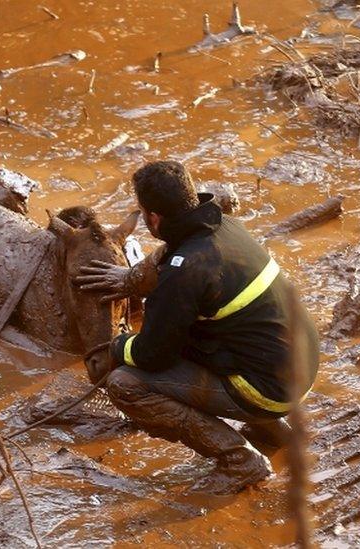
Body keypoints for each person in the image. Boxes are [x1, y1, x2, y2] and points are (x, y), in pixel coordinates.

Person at [75, 160, 319, 495]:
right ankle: (275, 431)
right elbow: (166, 257)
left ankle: (239, 460)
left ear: (153, 218)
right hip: (298, 369)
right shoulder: (224, 227)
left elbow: (152, 355)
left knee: (125, 383)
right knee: (221, 333)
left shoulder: (185, 271)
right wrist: (130, 279)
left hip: (266, 389)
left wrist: (117, 347)